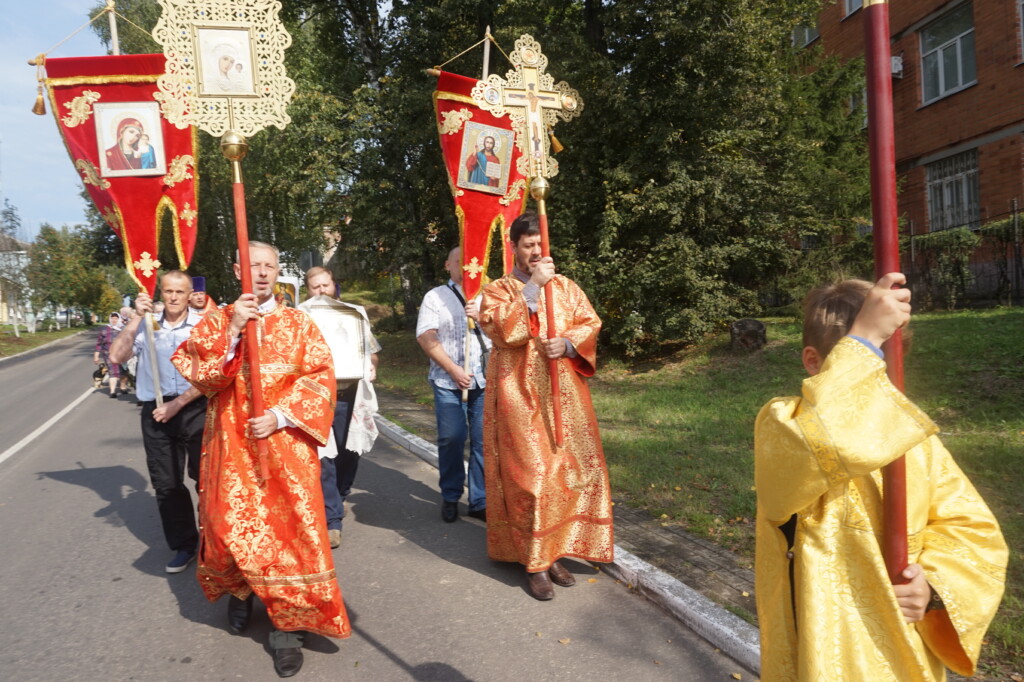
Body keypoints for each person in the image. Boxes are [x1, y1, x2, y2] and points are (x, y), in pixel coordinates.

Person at [754, 274, 1008, 681]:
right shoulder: (784, 422)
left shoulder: (915, 442)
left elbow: (972, 529)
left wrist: (932, 587)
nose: (877, 381)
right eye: (859, 360)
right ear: (814, 362)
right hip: (824, 644)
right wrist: (867, 339)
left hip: (900, 646)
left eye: (885, 365)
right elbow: (811, 455)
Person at [171, 243, 348, 677]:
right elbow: (203, 376)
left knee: (289, 533)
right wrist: (232, 329)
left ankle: (287, 627)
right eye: (254, 267)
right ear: (237, 271)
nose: (263, 273)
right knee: (232, 525)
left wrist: (281, 415)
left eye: (270, 265)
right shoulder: (216, 321)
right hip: (232, 446)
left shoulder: (298, 322)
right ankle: (243, 591)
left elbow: (320, 376)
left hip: (285, 447)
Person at [478, 212, 613, 600]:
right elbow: (504, 331)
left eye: (541, 244)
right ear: (515, 247)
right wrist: (533, 289)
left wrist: (569, 344)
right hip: (518, 396)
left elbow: (590, 322)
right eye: (528, 245)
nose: (536, 252)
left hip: (565, 397)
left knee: (569, 473)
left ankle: (553, 551)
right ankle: (534, 563)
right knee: (532, 480)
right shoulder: (499, 290)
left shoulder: (567, 287)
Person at [108, 271, 206, 574]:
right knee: (166, 482)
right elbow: (116, 355)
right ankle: (185, 544)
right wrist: (136, 318)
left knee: (207, 477)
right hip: (157, 411)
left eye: (180, 291)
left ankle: (216, 542)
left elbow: (213, 373)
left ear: (191, 294)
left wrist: (180, 404)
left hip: (195, 404)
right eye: (168, 291)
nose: (174, 297)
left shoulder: (204, 325)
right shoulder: (146, 326)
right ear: (160, 293)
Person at [298, 266, 381, 549]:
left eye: (325, 286)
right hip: (316, 395)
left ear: (335, 286)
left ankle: (341, 493)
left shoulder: (353, 313)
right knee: (324, 455)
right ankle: (332, 519)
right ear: (307, 290)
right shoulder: (300, 316)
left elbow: (370, 350)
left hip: (349, 393)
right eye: (315, 287)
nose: (321, 292)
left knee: (348, 451)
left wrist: (370, 366)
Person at [415, 246, 489, 523]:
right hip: (448, 380)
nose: (468, 266)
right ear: (448, 265)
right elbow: (425, 336)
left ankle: (479, 500)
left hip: (485, 379)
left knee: (483, 442)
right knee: (452, 438)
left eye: (474, 261)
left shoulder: (490, 295)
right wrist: (454, 369)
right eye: (461, 261)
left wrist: (483, 316)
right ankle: (450, 495)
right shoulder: (435, 297)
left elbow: (507, 331)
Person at [94, 312, 124, 398]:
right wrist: (96, 355)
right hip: (108, 354)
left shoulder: (123, 329)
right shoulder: (104, 329)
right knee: (112, 371)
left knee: (123, 372)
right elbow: (99, 343)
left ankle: (122, 387)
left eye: (116, 318)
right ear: (110, 319)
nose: (114, 320)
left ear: (119, 319)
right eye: (112, 318)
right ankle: (112, 391)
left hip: (122, 354)